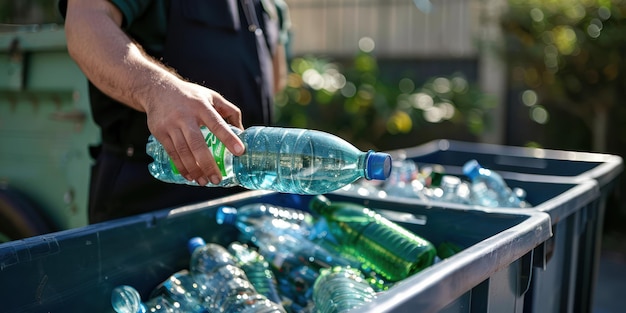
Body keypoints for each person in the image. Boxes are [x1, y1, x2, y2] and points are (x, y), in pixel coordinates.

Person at [60, 0, 291, 223]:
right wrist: (158, 90)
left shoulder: (273, 5)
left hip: (241, 195)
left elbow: (276, 80)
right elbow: (85, 24)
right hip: (153, 194)